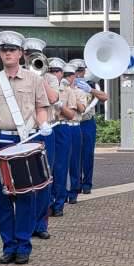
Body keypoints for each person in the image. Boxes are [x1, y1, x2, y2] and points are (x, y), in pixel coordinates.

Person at [0, 31, 51, 265]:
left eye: (12, 50)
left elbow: (41, 107)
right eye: (4, 50)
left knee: (27, 195)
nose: (7, 53)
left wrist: (43, 123)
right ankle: (8, 246)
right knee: (4, 196)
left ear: (20, 53)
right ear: (0, 53)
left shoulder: (33, 79)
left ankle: (23, 245)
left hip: (26, 141)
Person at [21, 38, 58, 241]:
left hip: (44, 131)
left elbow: (53, 99)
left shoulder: (50, 78)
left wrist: (39, 76)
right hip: (24, 132)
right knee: (24, 180)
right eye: (28, 54)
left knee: (44, 178)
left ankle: (41, 224)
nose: (31, 57)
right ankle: (26, 223)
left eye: (35, 54)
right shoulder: (16, 76)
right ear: (23, 55)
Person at [71, 59, 108, 195]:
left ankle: (87, 184)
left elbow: (105, 97)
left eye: (81, 71)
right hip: (72, 122)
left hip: (87, 122)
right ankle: (75, 184)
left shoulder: (91, 83)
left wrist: (90, 89)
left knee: (87, 154)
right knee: (74, 155)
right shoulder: (66, 84)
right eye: (75, 71)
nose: (78, 74)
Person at [50, 60, 79, 217]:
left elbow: (71, 114)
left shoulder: (68, 91)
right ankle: (47, 203)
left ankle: (58, 204)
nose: (54, 74)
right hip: (46, 127)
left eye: (57, 71)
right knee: (46, 168)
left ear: (62, 73)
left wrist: (59, 105)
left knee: (60, 167)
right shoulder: (41, 87)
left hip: (61, 127)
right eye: (51, 71)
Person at [64, 64, 86, 205]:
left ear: (73, 76)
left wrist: (70, 94)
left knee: (74, 161)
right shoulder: (58, 90)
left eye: (69, 75)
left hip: (74, 126)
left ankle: (73, 191)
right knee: (60, 162)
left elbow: (82, 109)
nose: (66, 78)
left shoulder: (79, 92)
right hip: (61, 126)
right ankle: (61, 193)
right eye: (64, 75)